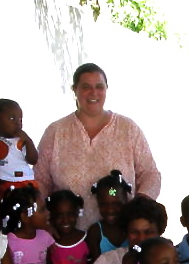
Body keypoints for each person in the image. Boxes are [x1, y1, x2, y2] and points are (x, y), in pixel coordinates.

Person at [35, 63, 160, 228]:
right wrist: (45, 222)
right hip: (68, 236)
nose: (93, 93)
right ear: (75, 90)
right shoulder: (56, 131)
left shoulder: (127, 128)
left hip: (120, 234)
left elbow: (151, 175)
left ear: (106, 89)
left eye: (99, 87)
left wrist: (138, 208)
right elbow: (40, 181)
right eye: (86, 87)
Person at [0, 98, 38, 197]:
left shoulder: (21, 141)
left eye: (20, 119)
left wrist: (28, 141)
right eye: (12, 118)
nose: (18, 123)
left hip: (22, 182)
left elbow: (33, 160)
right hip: (3, 180)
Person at [0, 185, 54, 264]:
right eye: (42, 210)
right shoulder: (8, 243)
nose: (48, 212)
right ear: (25, 217)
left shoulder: (46, 237)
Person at [85, 170, 131, 262]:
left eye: (117, 204)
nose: (110, 210)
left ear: (126, 201)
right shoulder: (95, 232)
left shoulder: (132, 228)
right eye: (104, 205)